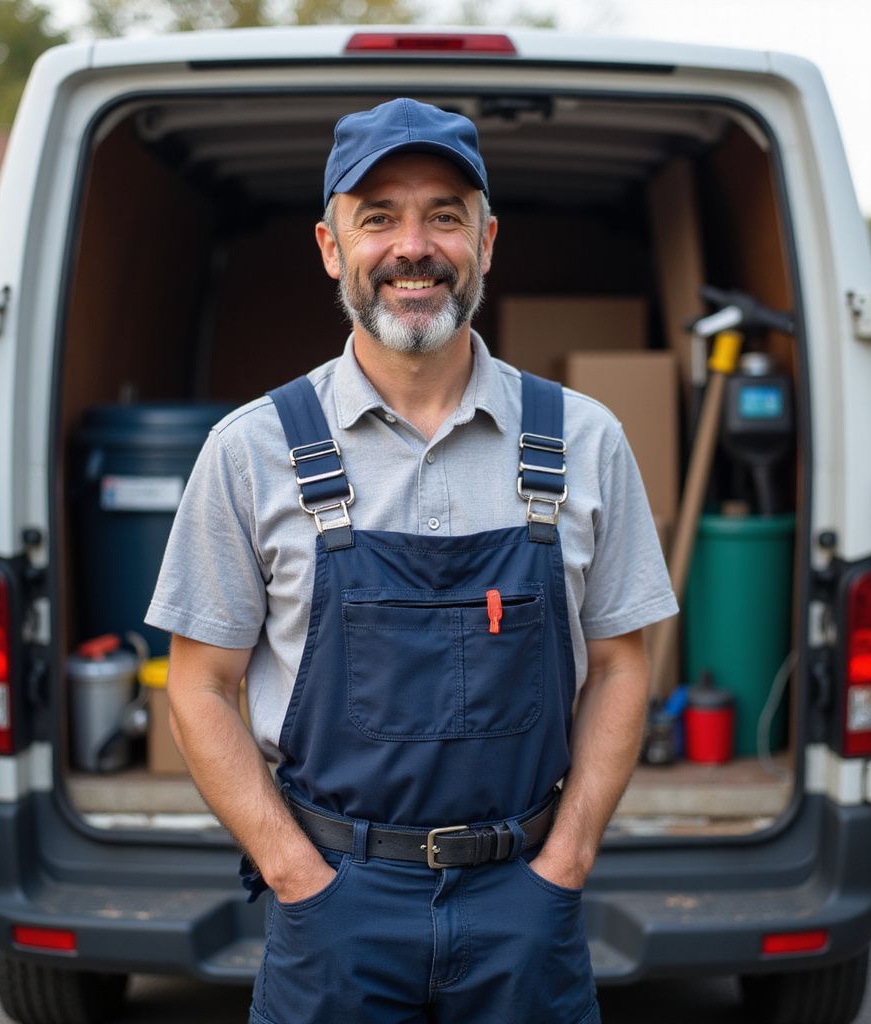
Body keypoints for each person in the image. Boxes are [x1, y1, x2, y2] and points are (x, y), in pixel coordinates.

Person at [146, 96, 678, 1024]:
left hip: (526, 900)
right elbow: (198, 685)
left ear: (487, 238)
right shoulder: (251, 449)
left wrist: (568, 864)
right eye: (378, 218)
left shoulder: (582, 439)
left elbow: (625, 663)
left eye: (444, 215)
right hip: (335, 909)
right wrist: (293, 872)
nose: (413, 247)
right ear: (329, 245)